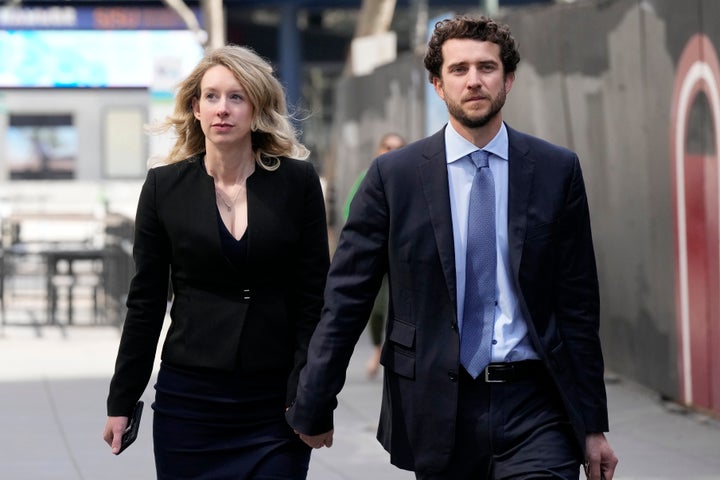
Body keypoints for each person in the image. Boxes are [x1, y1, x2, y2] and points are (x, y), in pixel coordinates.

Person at [286, 14, 618, 480]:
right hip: (437, 405)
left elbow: (578, 305)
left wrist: (593, 425)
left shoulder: (555, 170)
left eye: (487, 67)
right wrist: (315, 399)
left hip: (537, 406)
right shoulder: (394, 177)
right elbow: (347, 297)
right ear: (438, 86)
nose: (474, 80)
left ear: (509, 79)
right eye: (459, 69)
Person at [102, 44, 330, 479]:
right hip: (190, 402)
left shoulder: (297, 182)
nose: (222, 109)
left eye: (236, 97)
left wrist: (314, 395)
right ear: (196, 107)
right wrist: (122, 400)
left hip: (275, 400)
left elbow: (314, 300)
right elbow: (146, 304)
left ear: (257, 108)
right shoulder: (163, 187)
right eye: (211, 96)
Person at [342, 133, 407, 378]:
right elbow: (351, 210)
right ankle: (378, 349)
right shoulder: (370, 176)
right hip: (378, 254)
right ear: (379, 149)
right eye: (387, 146)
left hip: (403, 255)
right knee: (378, 307)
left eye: (398, 147)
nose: (392, 151)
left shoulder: (410, 175)